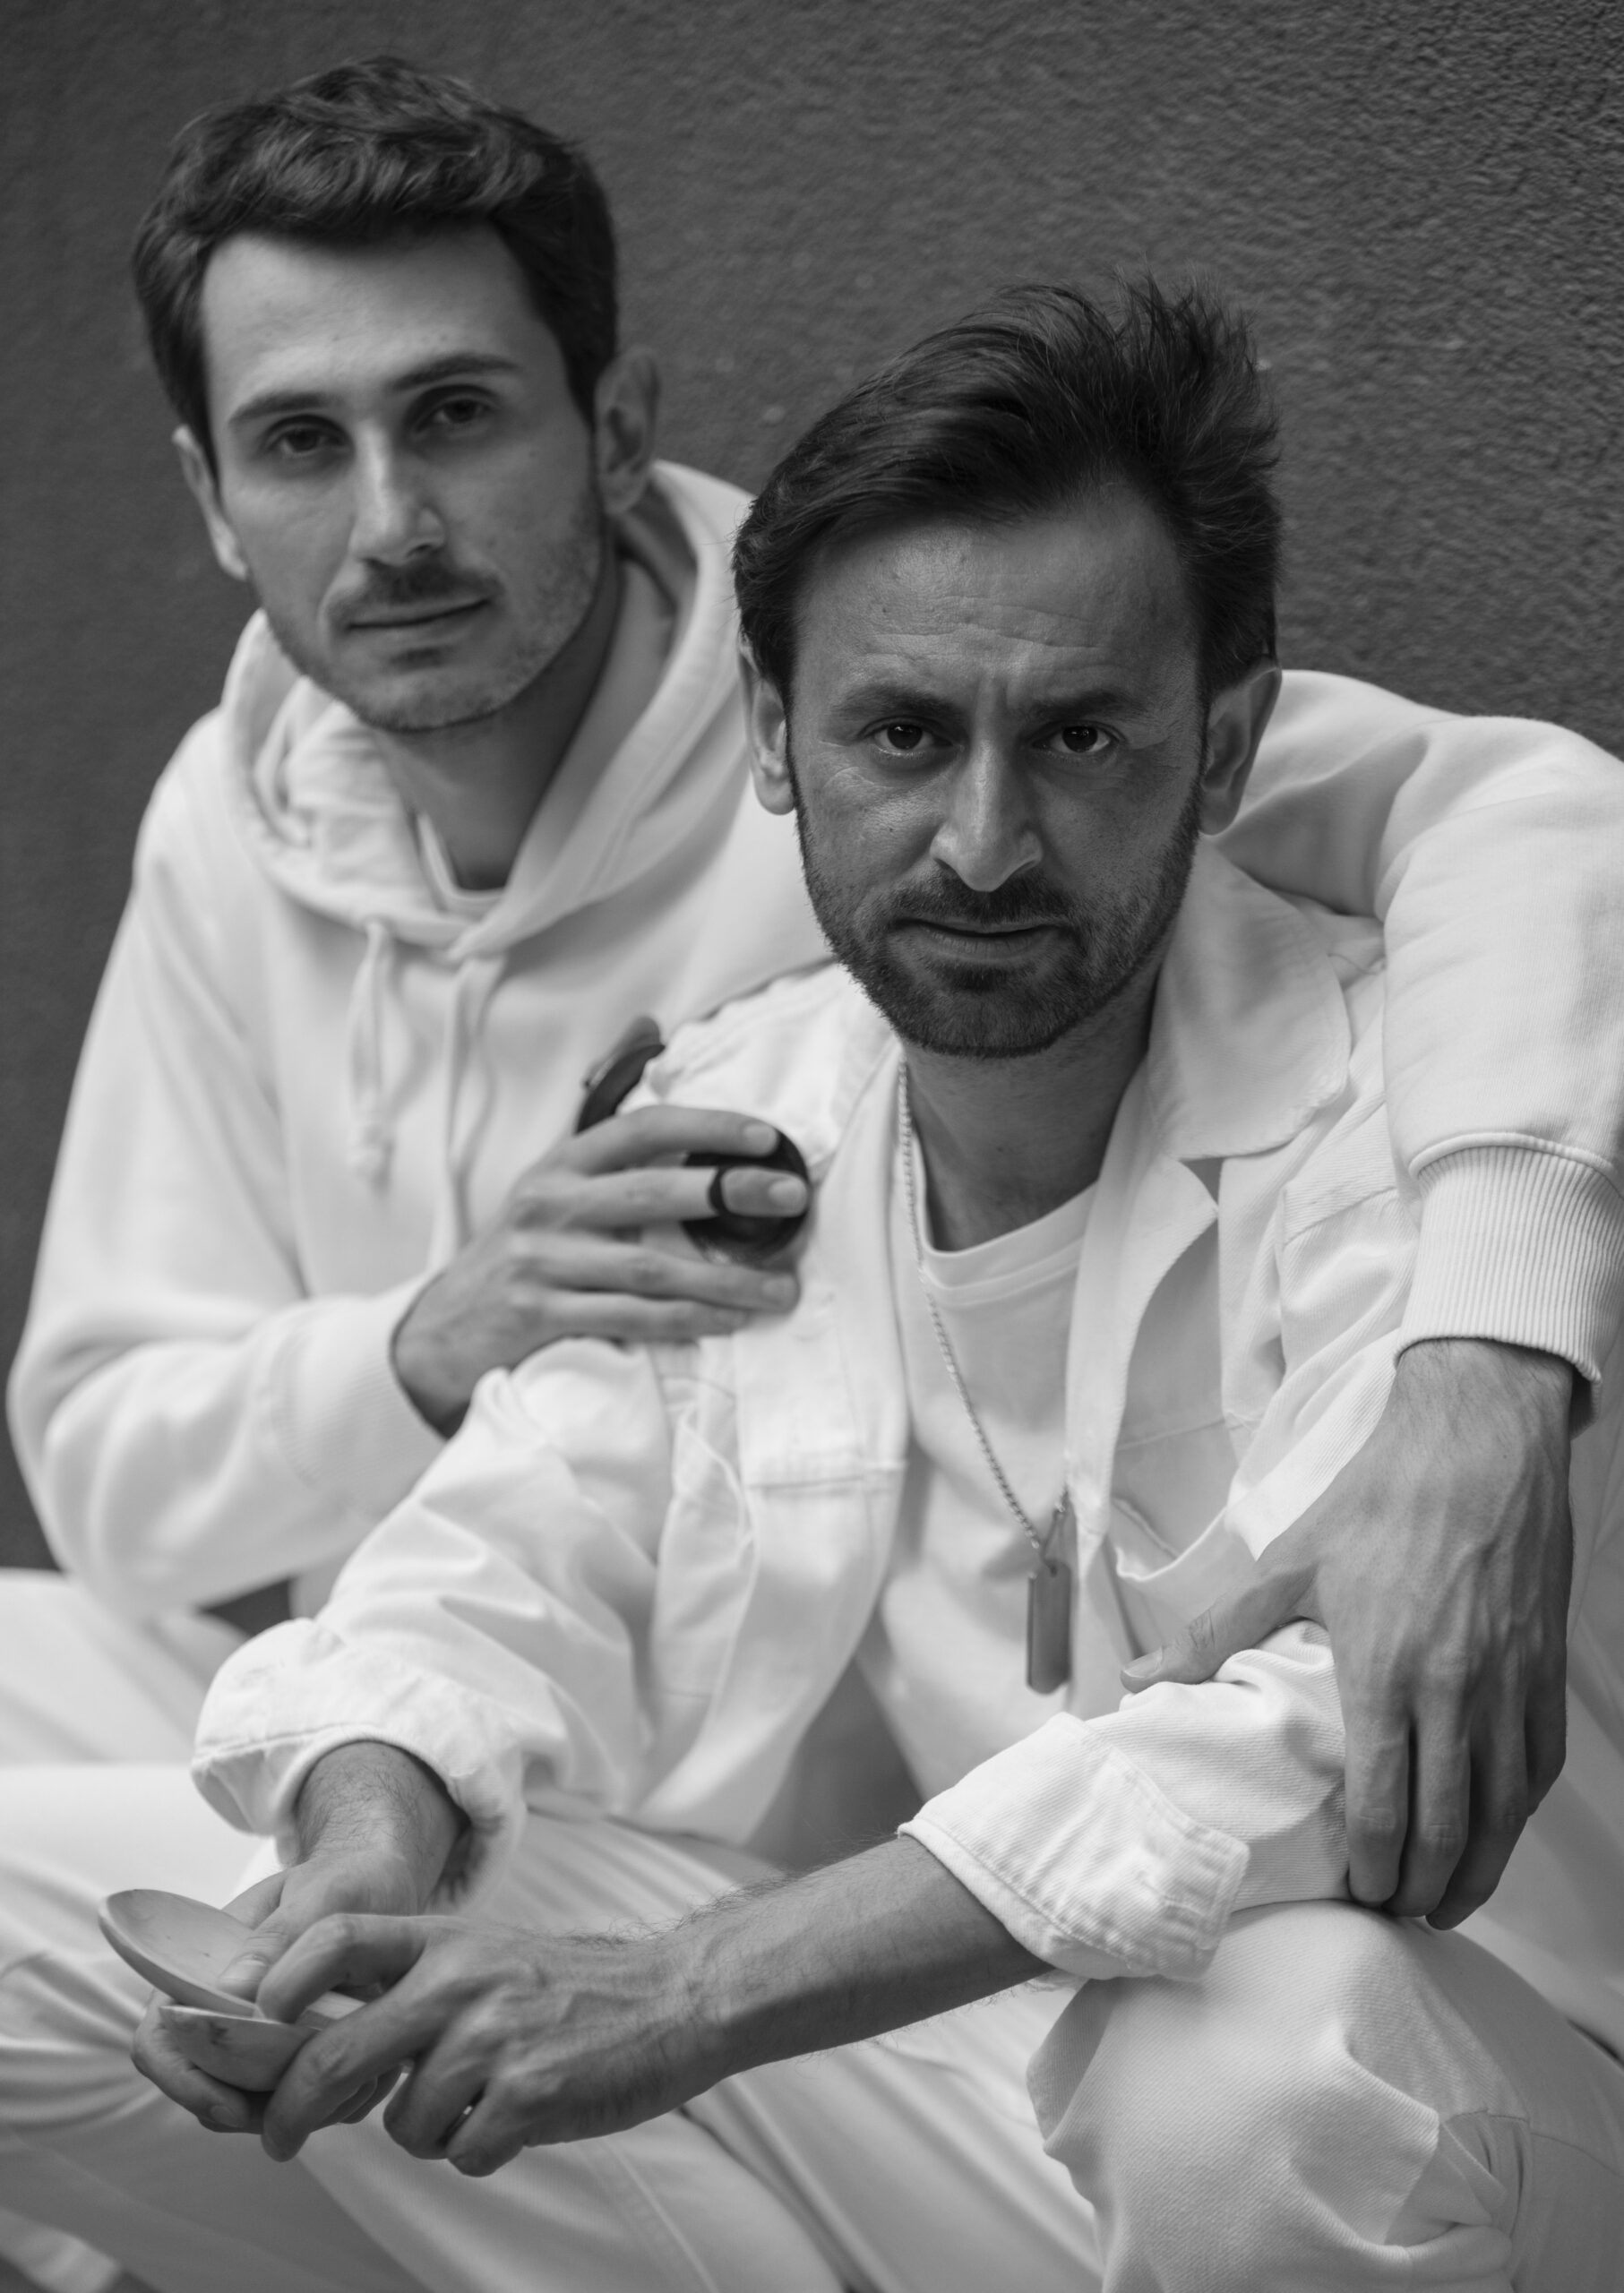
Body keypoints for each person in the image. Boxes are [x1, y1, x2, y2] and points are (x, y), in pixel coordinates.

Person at [6, 276, 1623, 2293]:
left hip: (1478, 2102)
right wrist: (363, 1835)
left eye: (1079, 735)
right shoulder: (754, 1107)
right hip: (986, 2078)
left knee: (1266, 2056)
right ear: (776, 742)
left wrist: (689, 1991)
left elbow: (1310, 1739)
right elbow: (498, 1548)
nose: (982, 841)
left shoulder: (1431, 1113)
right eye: (900, 733)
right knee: (278, 1930)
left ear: (1218, 752)